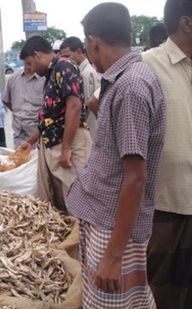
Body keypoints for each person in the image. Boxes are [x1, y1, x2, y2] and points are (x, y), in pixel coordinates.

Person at [66, 3, 166, 308]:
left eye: (85, 45)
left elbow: (135, 178)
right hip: (106, 222)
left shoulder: (131, 87)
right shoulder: (123, 81)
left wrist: (113, 256)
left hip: (113, 230)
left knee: (113, 302)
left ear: (93, 41)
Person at [142, 0, 192, 307]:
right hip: (166, 204)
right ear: (187, 23)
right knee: (165, 292)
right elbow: (98, 102)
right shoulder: (147, 65)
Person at [18, 36, 91, 211]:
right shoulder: (51, 74)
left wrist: (66, 149)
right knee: (58, 201)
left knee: (74, 199)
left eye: (29, 63)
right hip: (54, 142)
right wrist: (30, 140)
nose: (30, 69)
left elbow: (74, 106)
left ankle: (80, 238)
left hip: (69, 143)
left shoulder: (64, 66)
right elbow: (50, 117)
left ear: (37, 55)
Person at [60, 36, 101, 137]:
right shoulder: (79, 71)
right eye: (62, 57)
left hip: (89, 129)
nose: (64, 61)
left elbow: (83, 107)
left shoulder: (86, 74)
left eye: (67, 56)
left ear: (79, 52)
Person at [2, 61, 45, 148]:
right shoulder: (13, 78)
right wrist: (17, 112)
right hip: (19, 132)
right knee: (20, 159)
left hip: (38, 131)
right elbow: (5, 100)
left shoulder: (44, 79)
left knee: (38, 160)